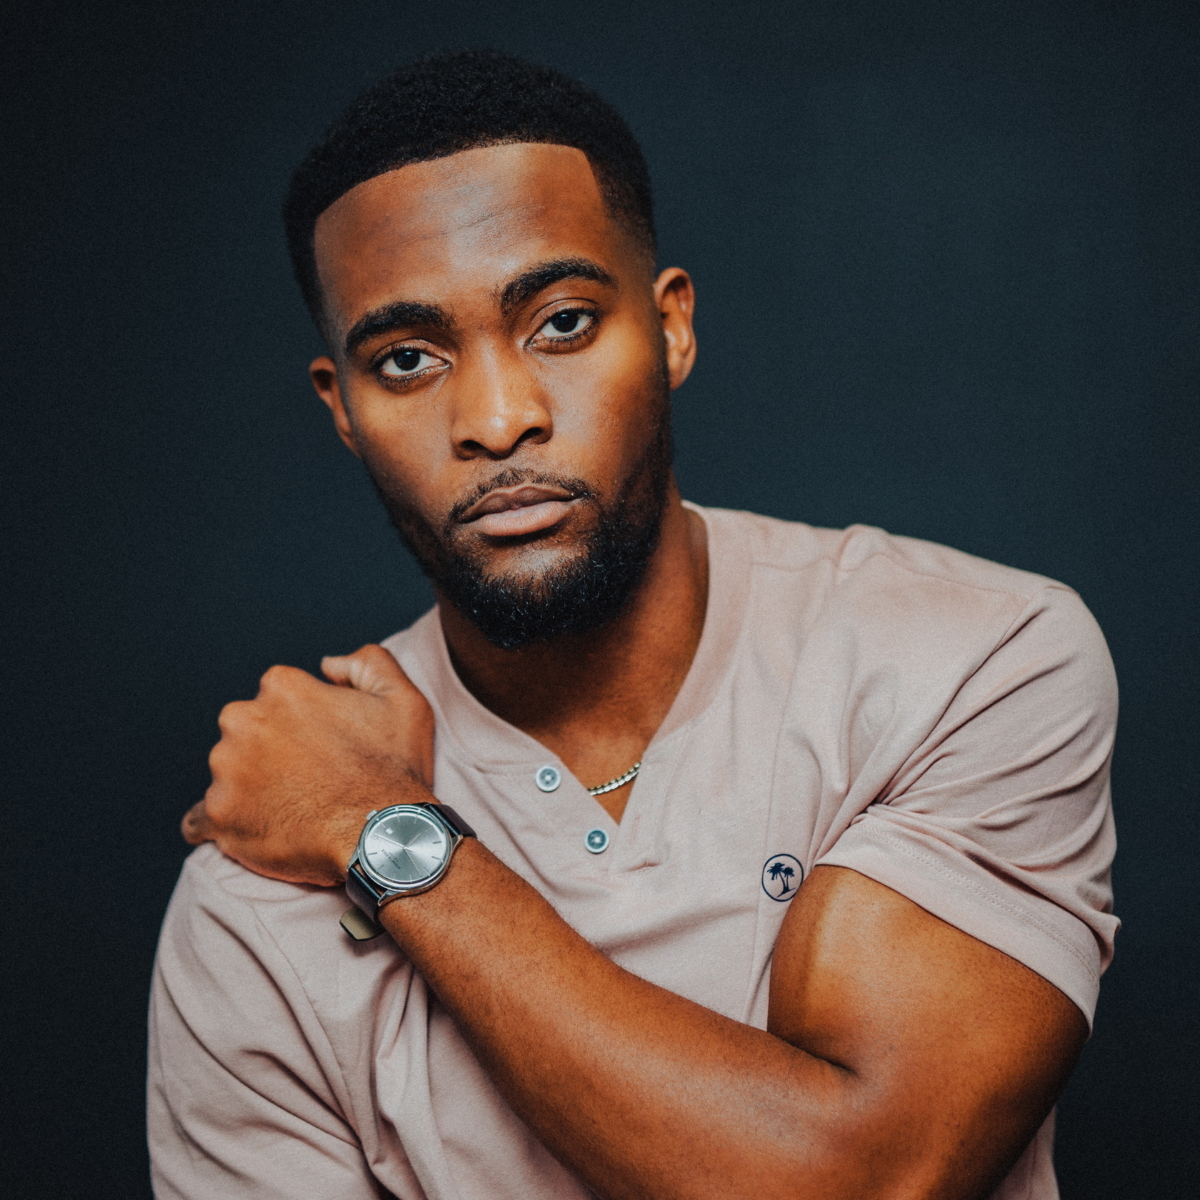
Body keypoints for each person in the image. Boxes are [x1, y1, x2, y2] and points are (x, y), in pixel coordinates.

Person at [148, 50, 1118, 1200]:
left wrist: (384, 834)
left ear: (670, 329)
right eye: (407, 360)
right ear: (344, 409)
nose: (498, 418)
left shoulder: (972, 660)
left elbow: (873, 1179)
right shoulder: (256, 896)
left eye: (560, 322)